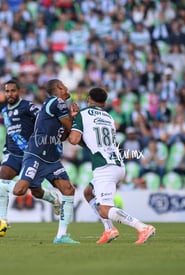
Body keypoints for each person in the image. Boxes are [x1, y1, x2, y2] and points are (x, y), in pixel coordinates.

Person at [0, 79, 79, 244]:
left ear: (19, 91)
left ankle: (61, 236)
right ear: (60, 87)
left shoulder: (32, 106)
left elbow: (62, 134)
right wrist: (73, 120)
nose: (10, 94)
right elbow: (68, 127)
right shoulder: (57, 103)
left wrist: (69, 120)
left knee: (64, 190)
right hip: (35, 154)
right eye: (7, 91)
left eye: (13, 90)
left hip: (49, 156)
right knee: (19, 190)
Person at [68, 88, 156, 244]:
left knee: (104, 209)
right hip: (118, 164)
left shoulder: (83, 114)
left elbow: (74, 140)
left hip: (104, 168)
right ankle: (109, 230)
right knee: (89, 193)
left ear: (88, 99)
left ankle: (142, 227)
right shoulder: (108, 117)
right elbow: (92, 141)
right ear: (104, 103)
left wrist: (73, 121)